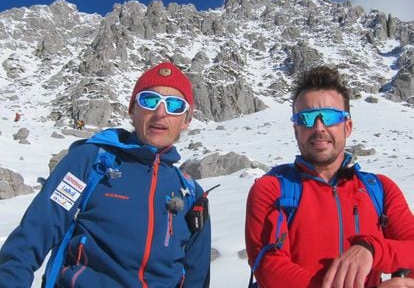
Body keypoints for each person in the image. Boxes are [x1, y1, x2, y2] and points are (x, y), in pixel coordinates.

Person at [0, 62, 211, 287]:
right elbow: (34, 234)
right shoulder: (91, 161)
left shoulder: (190, 194)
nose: (160, 113)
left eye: (174, 105)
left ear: (187, 120)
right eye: (149, 100)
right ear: (133, 110)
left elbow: (196, 276)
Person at [245, 66, 414, 287]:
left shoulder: (379, 189)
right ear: (296, 130)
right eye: (307, 118)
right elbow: (269, 266)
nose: (319, 127)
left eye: (330, 117)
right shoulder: (273, 189)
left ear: (348, 126)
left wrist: (372, 250)